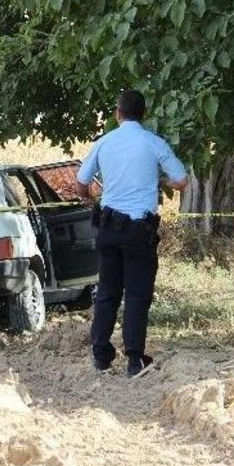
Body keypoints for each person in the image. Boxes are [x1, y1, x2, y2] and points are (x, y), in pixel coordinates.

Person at [75, 90, 188, 377]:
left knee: (107, 292)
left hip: (108, 228)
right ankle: (134, 360)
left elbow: (81, 183)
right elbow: (181, 180)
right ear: (143, 114)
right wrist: (158, 179)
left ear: (118, 113)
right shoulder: (154, 143)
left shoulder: (104, 142)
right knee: (137, 295)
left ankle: (100, 355)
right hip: (139, 232)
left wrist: (91, 199)